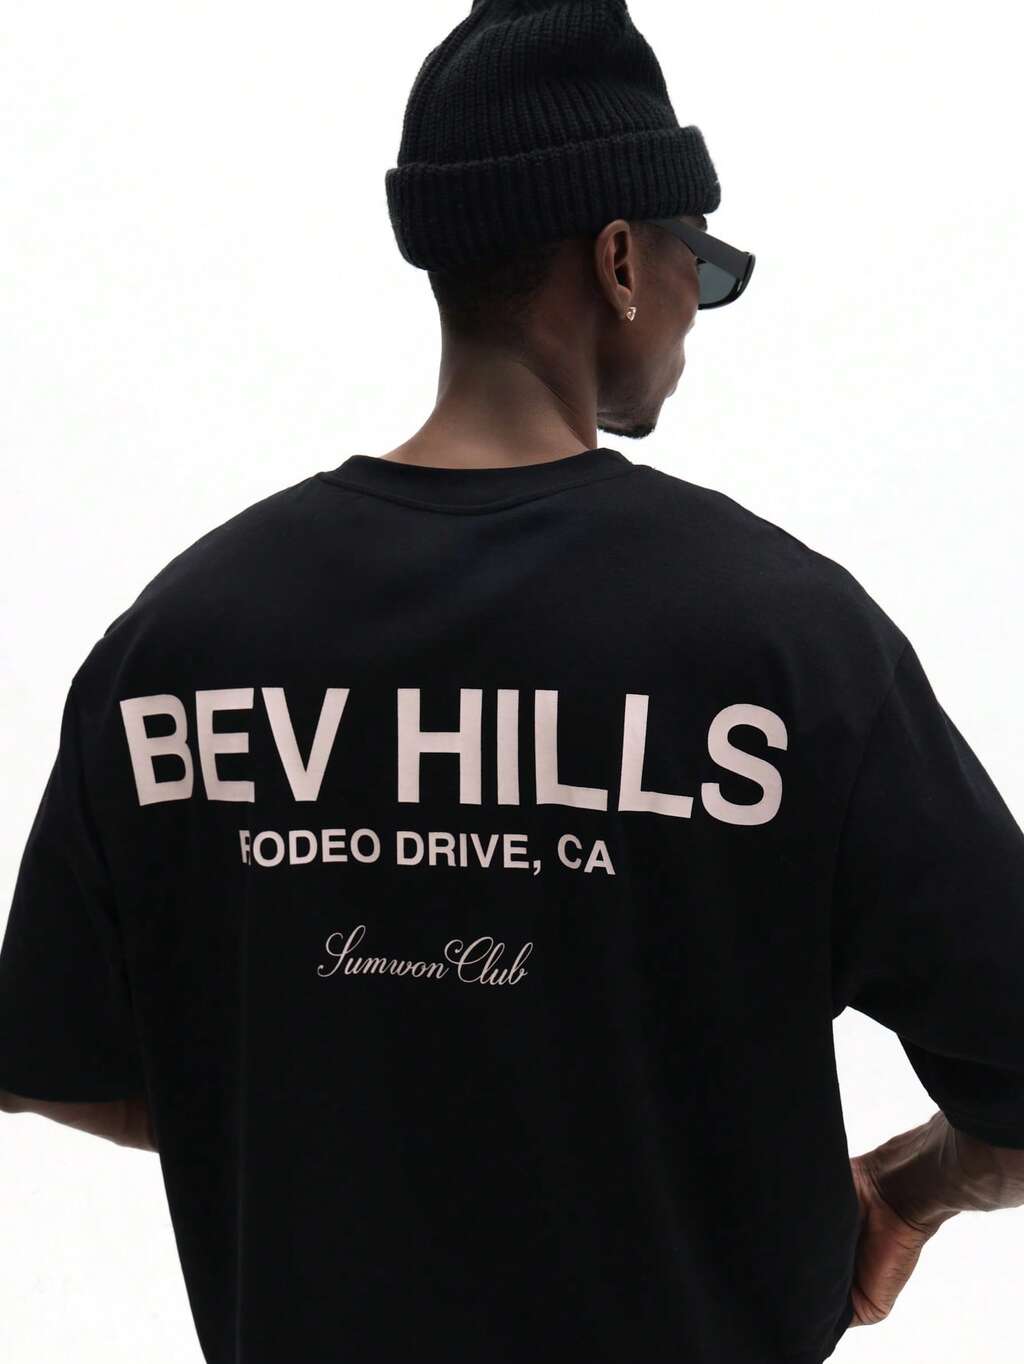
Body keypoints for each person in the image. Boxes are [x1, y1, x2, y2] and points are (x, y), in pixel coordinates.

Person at [1, 1, 1023, 1360]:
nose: (699, 308)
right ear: (620, 258)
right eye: (703, 264)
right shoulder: (785, 645)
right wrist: (909, 1187)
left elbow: (57, 1057)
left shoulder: (175, 649)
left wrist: (356, 1123)